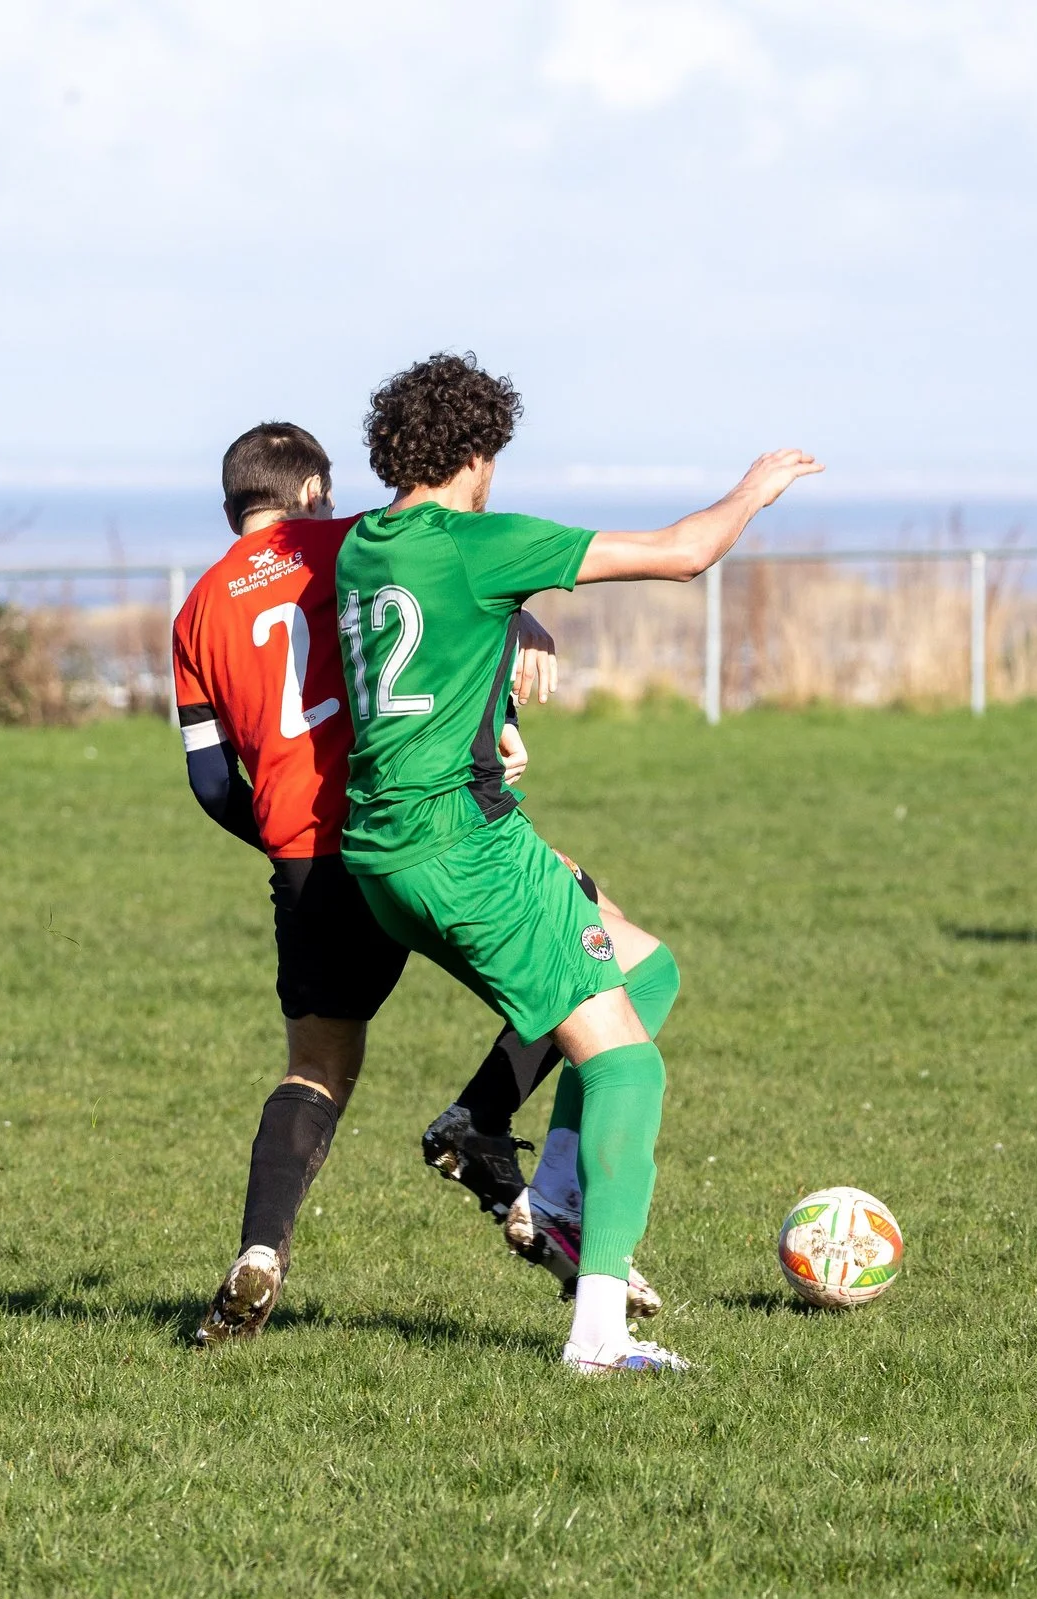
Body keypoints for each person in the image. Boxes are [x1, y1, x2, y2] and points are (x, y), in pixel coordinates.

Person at [333, 352, 821, 1375]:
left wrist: (518, 627)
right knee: (629, 1066)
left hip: (385, 858)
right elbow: (684, 554)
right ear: (476, 455)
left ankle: (535, 1172)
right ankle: (598, 1335)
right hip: (466, 851)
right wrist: (755, 487)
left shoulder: (364, 548)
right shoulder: (482, 542)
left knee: (644, 967)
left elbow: (444, 618)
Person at [173, 422, 659, 1345]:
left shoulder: (194, 612)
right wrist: (521, 618)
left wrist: (284, 839)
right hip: (410, 830)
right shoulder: (343, 541)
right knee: (611, 955)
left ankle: (262, 1253)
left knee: (315, 1070)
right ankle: (479, 1125)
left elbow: (207, 784)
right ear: (314, 489)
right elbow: (440, 575)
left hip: (306, 865)